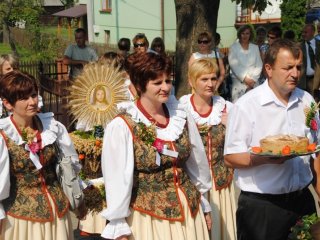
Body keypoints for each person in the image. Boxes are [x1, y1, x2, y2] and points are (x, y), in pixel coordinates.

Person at [100, 52, 212, 240]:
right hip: (150, 219)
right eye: (157, 83)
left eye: (168, 81)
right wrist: (118, 225)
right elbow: (117, 179)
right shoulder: (122, 125)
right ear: (140, 85)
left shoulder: (180, 115)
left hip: (189, 211)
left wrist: (204, 203)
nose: (166, 87)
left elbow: (197, 161)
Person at [224, 39, 320, 240]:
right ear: (268, 69)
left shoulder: (307, 101)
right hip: (262, 208)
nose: (295, 73)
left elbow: (315, 153)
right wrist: (266, 158)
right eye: (287, 68)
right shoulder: (247, 105)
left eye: (298, 67)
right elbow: (230, 157)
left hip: (302, 201)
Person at [0, 70, 82, 240]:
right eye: (23, 98)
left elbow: (71, 166)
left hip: (58, 215)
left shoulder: (53, 127)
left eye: (33, 95)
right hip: (21, 221)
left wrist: (78, 197)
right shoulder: (3, 136)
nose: (32, 102)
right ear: (8, 104)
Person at [180, 58, 237, 240]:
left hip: (220, 184)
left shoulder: (226, 108)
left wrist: (232, 126)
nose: (210, 84)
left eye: (213, 79)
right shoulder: (180, 109)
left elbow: (245, 141)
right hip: (192, 184)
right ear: (191, 81)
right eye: (204, 79)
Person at [228, 25, 262, 102]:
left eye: (247, 33)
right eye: (243, 33)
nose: (245, 36)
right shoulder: (233, 47)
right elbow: (234, 65)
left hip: (254, 83)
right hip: (239, 83)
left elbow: (259, 64)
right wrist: (245, 79)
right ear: (239, 34)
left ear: (250, 35)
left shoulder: (255, 47)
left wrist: (253, 80)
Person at [299, 24, 320, 98]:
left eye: (305, 32)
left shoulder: (318, 44)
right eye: (302, 32)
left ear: (313, 32)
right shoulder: (299, 46)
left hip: (316, 79)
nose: (303, 34)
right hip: (303, 80)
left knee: (314, 102)